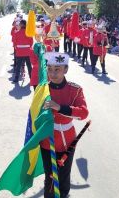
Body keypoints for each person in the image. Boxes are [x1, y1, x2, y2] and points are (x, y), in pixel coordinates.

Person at [41, 52, 89, 198]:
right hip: (47, 141)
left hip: (67, 141)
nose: (52, 73)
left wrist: (60, 107)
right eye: (49, 69)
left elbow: (83, 113)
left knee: (63, 176)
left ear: (65, 70)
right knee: (50, 176)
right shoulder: (42, 89)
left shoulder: (75, 90)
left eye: (57, 69)